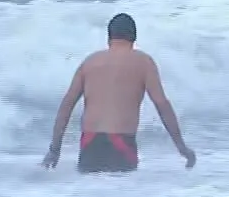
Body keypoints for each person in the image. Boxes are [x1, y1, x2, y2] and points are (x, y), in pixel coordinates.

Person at [43, 13, 195, 173]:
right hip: (121, 143)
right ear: (134, 38)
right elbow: (161, 104)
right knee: (122, 196)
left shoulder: (89, 62)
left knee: (88, 195)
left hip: (90, 143)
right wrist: (181, 147)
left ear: (109, 37)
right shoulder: (143, 62)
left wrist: (54, 150)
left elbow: (66, 106)